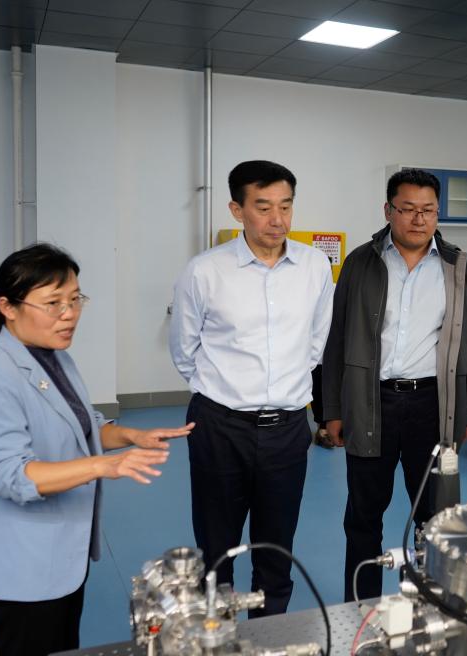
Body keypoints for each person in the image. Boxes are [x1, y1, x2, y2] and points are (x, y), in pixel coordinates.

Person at [0, 243, 193, 656]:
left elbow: (83, 424)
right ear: (8, 307)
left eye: (75, 299)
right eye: (53, 303)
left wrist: (131, 436)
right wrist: (103, 465)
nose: (69, 314)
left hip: (61, 555)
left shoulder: (53, 357)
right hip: (21, 565)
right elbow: (12, 475)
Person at [169, 160, 333, 616]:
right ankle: (216, 632)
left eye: (286, 206)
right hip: (220, 427)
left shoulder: (315, 267)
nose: (277, 219)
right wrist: (226, 393)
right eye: (263, 207)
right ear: (237, 210)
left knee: (276, 547)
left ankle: (269, 635)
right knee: (216, 546)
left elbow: (316, 342)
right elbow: (184, 349)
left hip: (287, 429)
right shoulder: (205, 271)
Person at [322, 168, 467, 602]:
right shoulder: (361, 262)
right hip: (370, 402)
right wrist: (331, 409)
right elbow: (337, 339)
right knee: (363, 517)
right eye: (408, 209)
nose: (419, 219)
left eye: (428, 210)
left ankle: (428, 608)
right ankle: (361, 610)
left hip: (432, 406)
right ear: (388, 210)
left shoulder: (455, 265)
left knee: (435, 517)